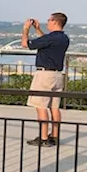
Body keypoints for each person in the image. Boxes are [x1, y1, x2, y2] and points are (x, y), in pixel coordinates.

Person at [23, 12, 70, 147]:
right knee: (54, 107)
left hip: (44, 75)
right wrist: (37, 29)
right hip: (57, 75)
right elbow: (46, 41)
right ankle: (54, 136)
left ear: (55, 22)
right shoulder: (64, 38)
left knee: (41, 106)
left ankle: (43, 138)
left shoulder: (51, 38)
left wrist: (26, 28)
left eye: (49, 20)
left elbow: (25, 44)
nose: (47, 22)